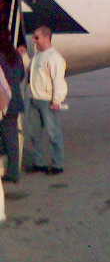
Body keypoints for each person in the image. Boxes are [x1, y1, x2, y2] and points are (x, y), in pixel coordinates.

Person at [26, 25, 68, 175]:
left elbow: (58, 80)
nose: (34, 40)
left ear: (46, 37)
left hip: (48, 101)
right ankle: (39, 163)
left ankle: (58, 164)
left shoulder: (54, 58)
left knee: (53, 134)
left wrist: (57, 100)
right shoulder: (37, 55)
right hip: (34, 99)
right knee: (34, 133)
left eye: (36, 37)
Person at [0, 29, 24, 183]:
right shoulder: (16, 55)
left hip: (4, 101)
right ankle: (13, 171)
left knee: (7, 139)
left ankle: (11, 172)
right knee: (12, 138)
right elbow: (21, 74)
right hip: (15, 100)